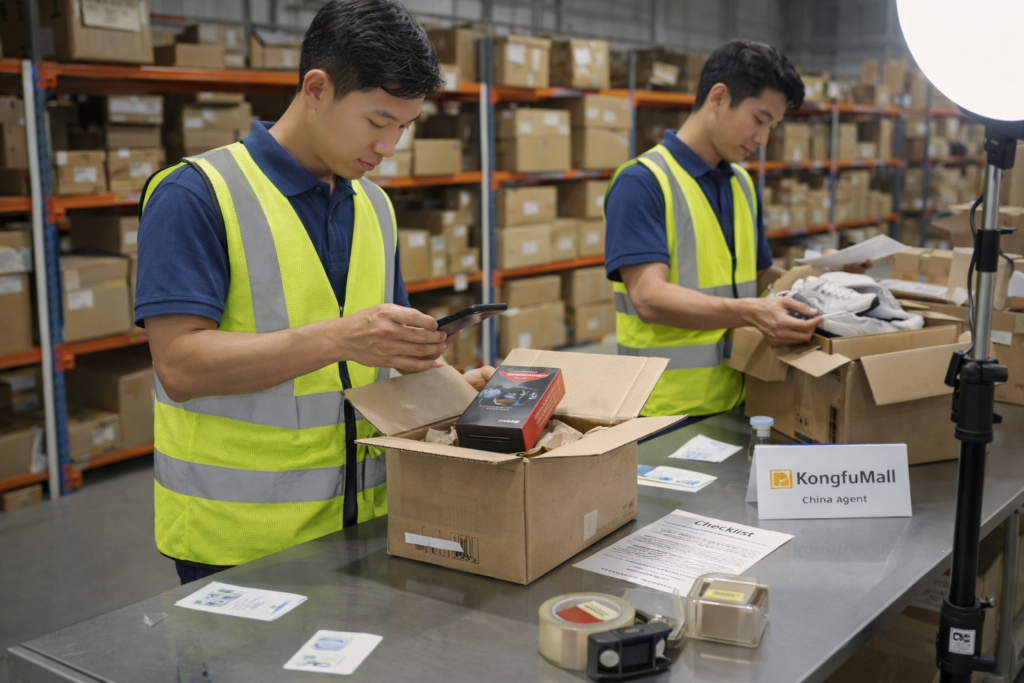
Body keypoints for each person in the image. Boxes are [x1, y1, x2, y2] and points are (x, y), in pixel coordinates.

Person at [135, 0, 493, 585]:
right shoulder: (196, 194)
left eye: (404, 127)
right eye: (377, 122)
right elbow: (180, 366)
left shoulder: (375, 206)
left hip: (363, 522)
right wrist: (345, 337)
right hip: (239, 542)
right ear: (317, 89)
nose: (389, 146)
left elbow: (381, 359)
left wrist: (458, 394)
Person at [604, 39, 867, 421]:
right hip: (662, 410)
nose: (763, 140)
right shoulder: (643, 182)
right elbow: (649, 298)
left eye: (772, 127)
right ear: (719, 97)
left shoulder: (742, 184)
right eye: (759, 120)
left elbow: (757, 276)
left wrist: (818, 275)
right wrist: (751, 312)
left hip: (743, 395)